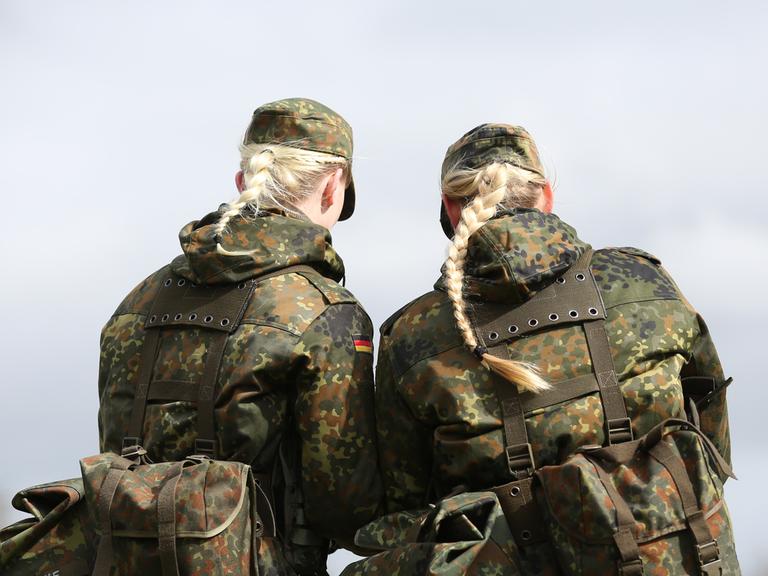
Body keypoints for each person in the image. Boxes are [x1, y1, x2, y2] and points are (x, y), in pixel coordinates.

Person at [363, 124, 738, 574]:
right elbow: (709, 421)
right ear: (546, 195)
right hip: (679, 554)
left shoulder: (411, 336)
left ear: (449, 208)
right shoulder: (643, 279)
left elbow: (405, 506)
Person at [97, 98, 381, 576]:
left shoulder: (136, 302)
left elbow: (114, 446)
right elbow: (345, 507)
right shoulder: (325, 310)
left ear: (242, 181)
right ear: (333, 187)